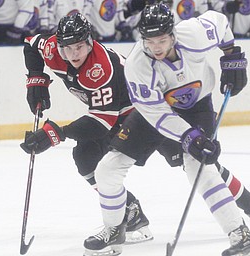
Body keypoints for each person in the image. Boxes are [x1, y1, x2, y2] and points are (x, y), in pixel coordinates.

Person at [82, 3, 250, 256]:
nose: (155, 47)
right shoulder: (137, 66)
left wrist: (231, 54)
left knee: (198, 165)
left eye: (162, 40)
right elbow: (156, 113)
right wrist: (189, 136)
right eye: (149, 40)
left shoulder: (194, 33)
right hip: (155, 114)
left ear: (173, 34)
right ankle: (114, 229)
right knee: (107, 169)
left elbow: (220, 22)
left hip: (197, 106)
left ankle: (239, 235)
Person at [20, 12, 153, 244]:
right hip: (111, 111)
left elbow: (102, 123)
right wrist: (36, 79)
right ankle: (130, 211)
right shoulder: (52, 49)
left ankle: (232, 201)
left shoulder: (101, 67)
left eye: (80, 47)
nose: (74, 55)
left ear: (90, 42)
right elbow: (31, 45)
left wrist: (56, 133)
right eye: (67, 48)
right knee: (85, 157)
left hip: (139, 111)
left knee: (188, 160)